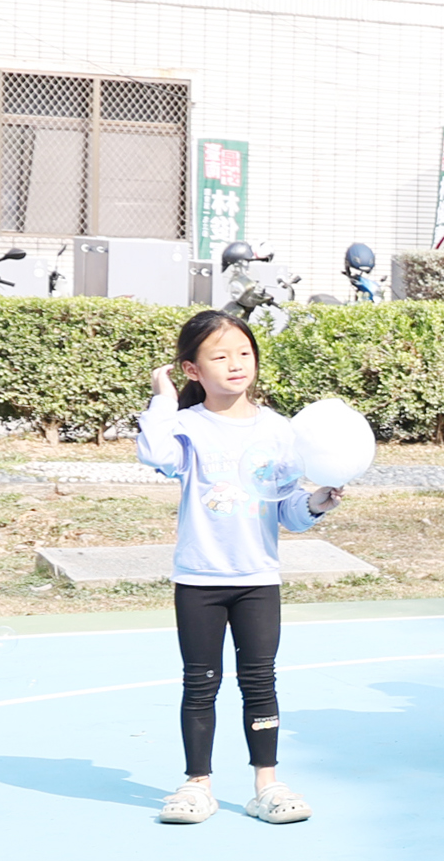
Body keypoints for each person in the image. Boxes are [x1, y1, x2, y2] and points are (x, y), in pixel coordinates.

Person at [137, 311, 339, 826]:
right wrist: (162, 397)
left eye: (244, 353)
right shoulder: (185, 426)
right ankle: (197, 785)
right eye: (220, 356)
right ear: (192, 369)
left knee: (260, 681)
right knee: (200, 684)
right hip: (199, 579)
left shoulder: (278, 430)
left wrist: (316, 502)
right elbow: (154, 453)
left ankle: (266, 785)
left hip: (257, 580)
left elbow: (287, 510)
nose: (235, 364)